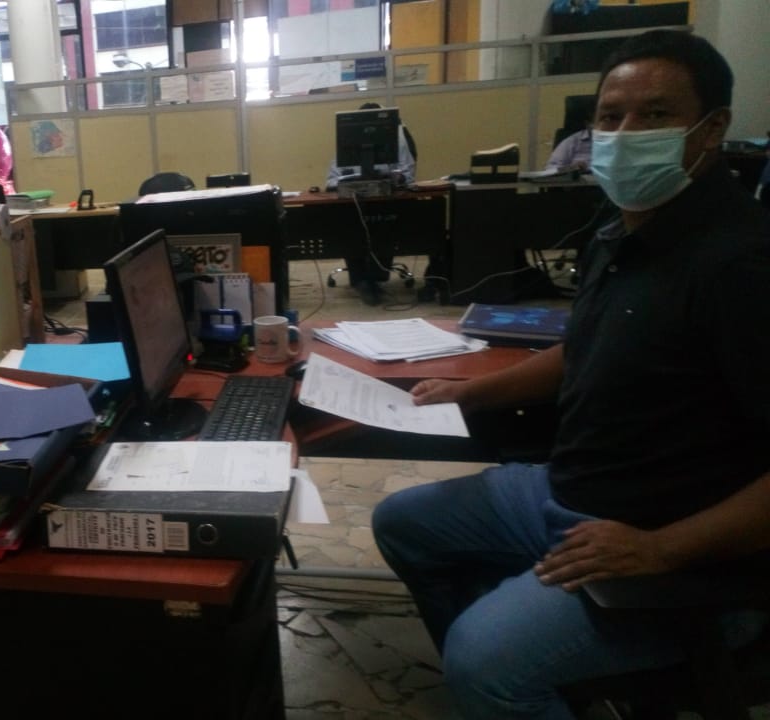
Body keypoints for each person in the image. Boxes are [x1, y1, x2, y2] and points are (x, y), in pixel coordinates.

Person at [371, 29, 770, 719]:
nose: (625, 134)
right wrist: (469, 392)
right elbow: (586, 347)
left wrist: (659, 550)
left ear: (712, 129)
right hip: (568, 493)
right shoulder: (626, 230)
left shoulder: (741, 265)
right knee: (404, 522)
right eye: (610, 116)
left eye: (654, 115)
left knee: (483, 662)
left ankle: (508, 678)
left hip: (673, 550)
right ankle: (538, 680)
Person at [326, 102, 418, 306]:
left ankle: (377, 276)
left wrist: (395, 178)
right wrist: (349, 181)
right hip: (353, 206)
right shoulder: (345, 150)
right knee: (347, 223)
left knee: (383, 224)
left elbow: (408, 176)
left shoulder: (397, 145)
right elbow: (331, 181)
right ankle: (360, 278)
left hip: (387, 203)